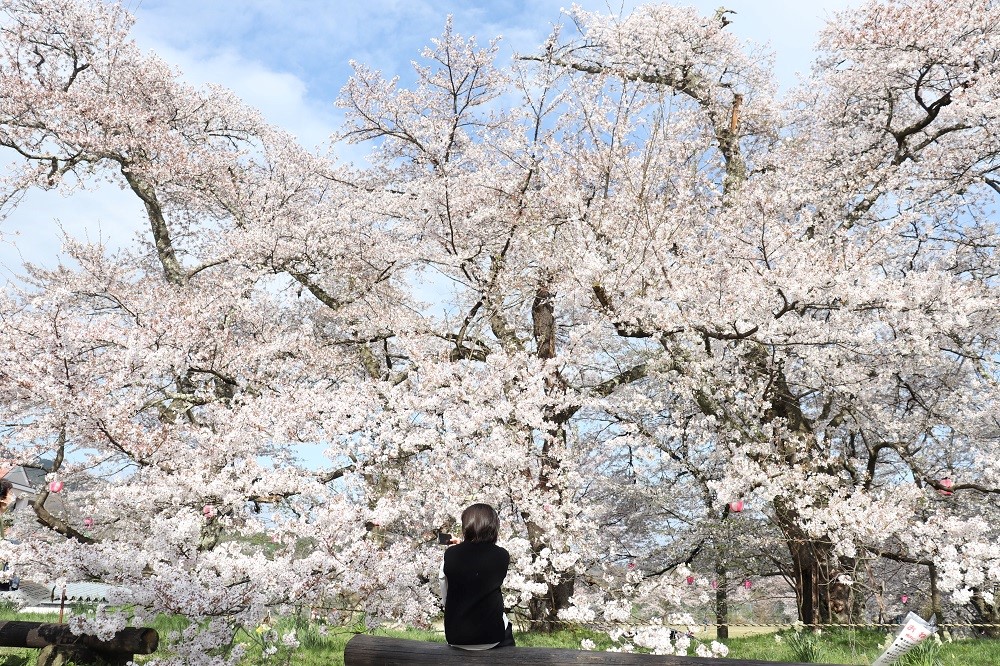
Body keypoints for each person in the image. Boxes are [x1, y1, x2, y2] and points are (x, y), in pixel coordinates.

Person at [439, 503, 515, 649]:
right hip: (493, 637)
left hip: (456, 637)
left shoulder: (450, 554)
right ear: (493, 527)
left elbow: (444, 583)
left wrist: (460, 547)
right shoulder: (502, 555)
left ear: (466, 526)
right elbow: (480, 565)